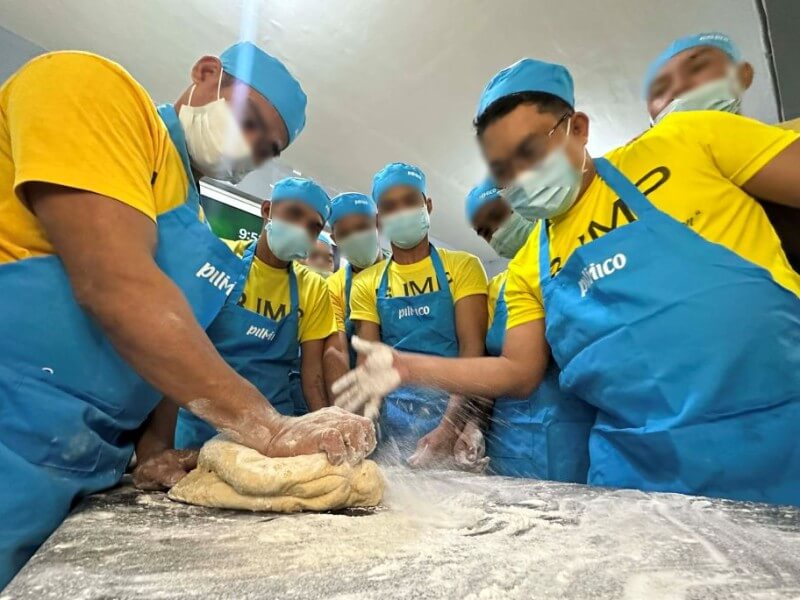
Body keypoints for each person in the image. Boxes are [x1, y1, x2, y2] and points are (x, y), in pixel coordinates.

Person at [335, 58, 800, 505]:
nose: (521, 175)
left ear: (578, 127)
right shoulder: (527, 266)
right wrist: (407, 367)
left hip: (778, 435)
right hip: (636, 474)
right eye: (503, 170)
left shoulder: (684, 142)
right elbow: (517, 372)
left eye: (531, 151)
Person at [0, 43, 374, 585]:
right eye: (249, 122)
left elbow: (166, 346)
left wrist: (152, 450)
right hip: (13, 436)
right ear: (205, 75)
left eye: (265, 147)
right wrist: (266, 426)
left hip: (92, 468)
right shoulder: (92, 87)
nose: (248, 149)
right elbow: (116, 284)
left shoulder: (194, 216)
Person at [167, 176, 340, 449]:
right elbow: (176, 351)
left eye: (313, 226)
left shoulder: (313, 287)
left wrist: (325, 426)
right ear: (267, 210)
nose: (301, 228)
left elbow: (312, 375)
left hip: (271, 433)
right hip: (202, 425)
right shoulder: (220, 257)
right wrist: (159, 443)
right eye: (293, 214)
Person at [348, 162, 489, 466]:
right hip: (391, 421)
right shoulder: (367, 283)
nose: (400, 211)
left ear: (428, 205)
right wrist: (361, 427)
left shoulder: (463, 266)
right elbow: (369, 364)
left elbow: (473, 353)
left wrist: (451, 427)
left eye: (410, 201)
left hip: (453, 409)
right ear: (379, 219)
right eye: (389, 206)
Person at [466, 179, 594, 481]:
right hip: (509, 446)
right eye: (485, 231)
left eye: (498, 216)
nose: (495, 232)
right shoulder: (496, 288)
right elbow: (490, 368)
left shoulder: (577, 263)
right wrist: (474, 424)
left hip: (576, 437)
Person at [643, 32, 800, 271]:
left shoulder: (793, 137)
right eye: (660, 89)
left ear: (742, 74)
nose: (679, 86)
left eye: (698, 67)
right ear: (651, 119)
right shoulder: (644, 193)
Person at [327, 192, 385, 368]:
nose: (355, 237)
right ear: (335, 239)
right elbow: (337, 350)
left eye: (362, 228)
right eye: (344, 234)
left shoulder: (404, 271)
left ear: (377, 223)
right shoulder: (333, 286)